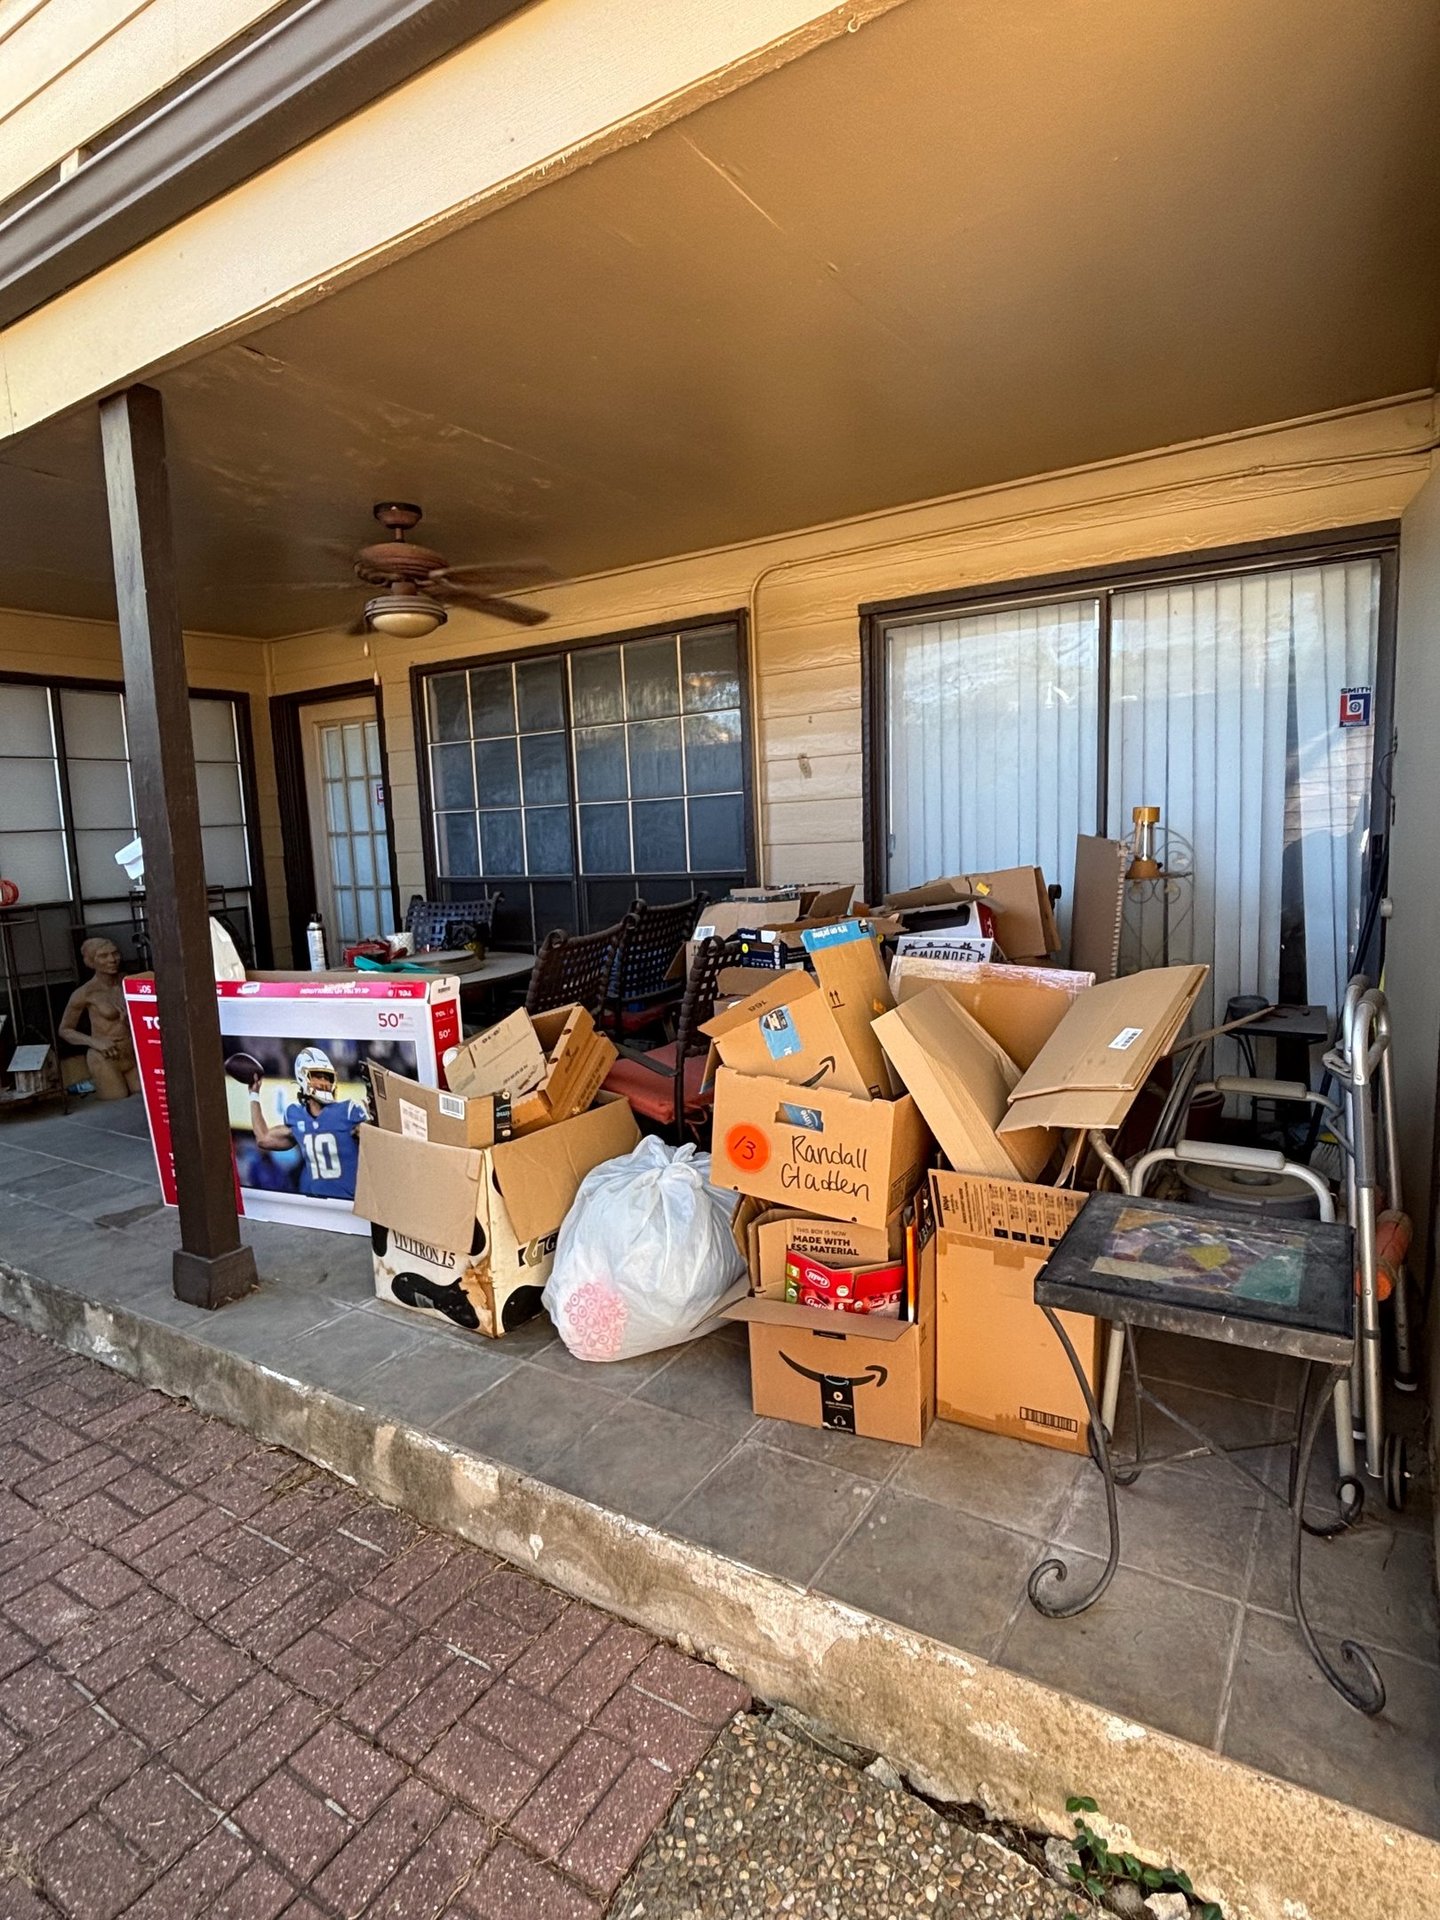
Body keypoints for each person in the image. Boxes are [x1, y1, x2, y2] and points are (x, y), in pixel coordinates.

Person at [245, 1047, 366, 1200]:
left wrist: (371, 1125)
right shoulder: (296, 1115)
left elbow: (372, 1141)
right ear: (303, 1077)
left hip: (349, 1203)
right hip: (316, 1203)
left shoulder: (348, 1111)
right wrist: (254, 1095)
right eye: (317, 1077)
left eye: (327, 1077)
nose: (323, 1082)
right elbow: (263, 1138)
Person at [58, 937, 139, 1099]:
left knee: (143, 1094)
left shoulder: (127, 982)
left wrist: (129, 1021)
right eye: (103, 956)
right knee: (117, 1098)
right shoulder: (85, 993)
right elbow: (65, 1030)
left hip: (131, 1051)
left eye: (115, 953)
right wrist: (95, 1042)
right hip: (106, 1055)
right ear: (91, 962)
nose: (112, 959)